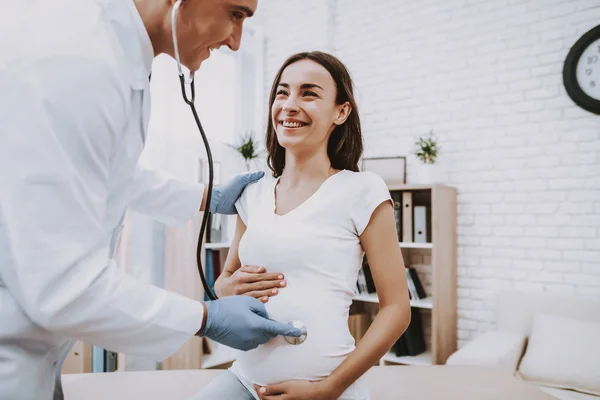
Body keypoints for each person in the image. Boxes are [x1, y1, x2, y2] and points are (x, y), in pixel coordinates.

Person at [0, 1, 304, 399]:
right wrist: (205, 317)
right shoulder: (76, 62)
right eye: (236, 13)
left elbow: (110, 172)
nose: (235, 41)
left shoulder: (115, 57)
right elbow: (62, 285)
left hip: (34, 349)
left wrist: (207, 197)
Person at [192, 51, 412, 400]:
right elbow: (224, 282)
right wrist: (227, 289)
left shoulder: (362, 190)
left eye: (309, 93)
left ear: (341, 112)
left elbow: (397, 309)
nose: (290, 104)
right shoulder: (253, 192)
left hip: (328, 387)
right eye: (282, 92)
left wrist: (327, 389)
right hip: (245, 380)